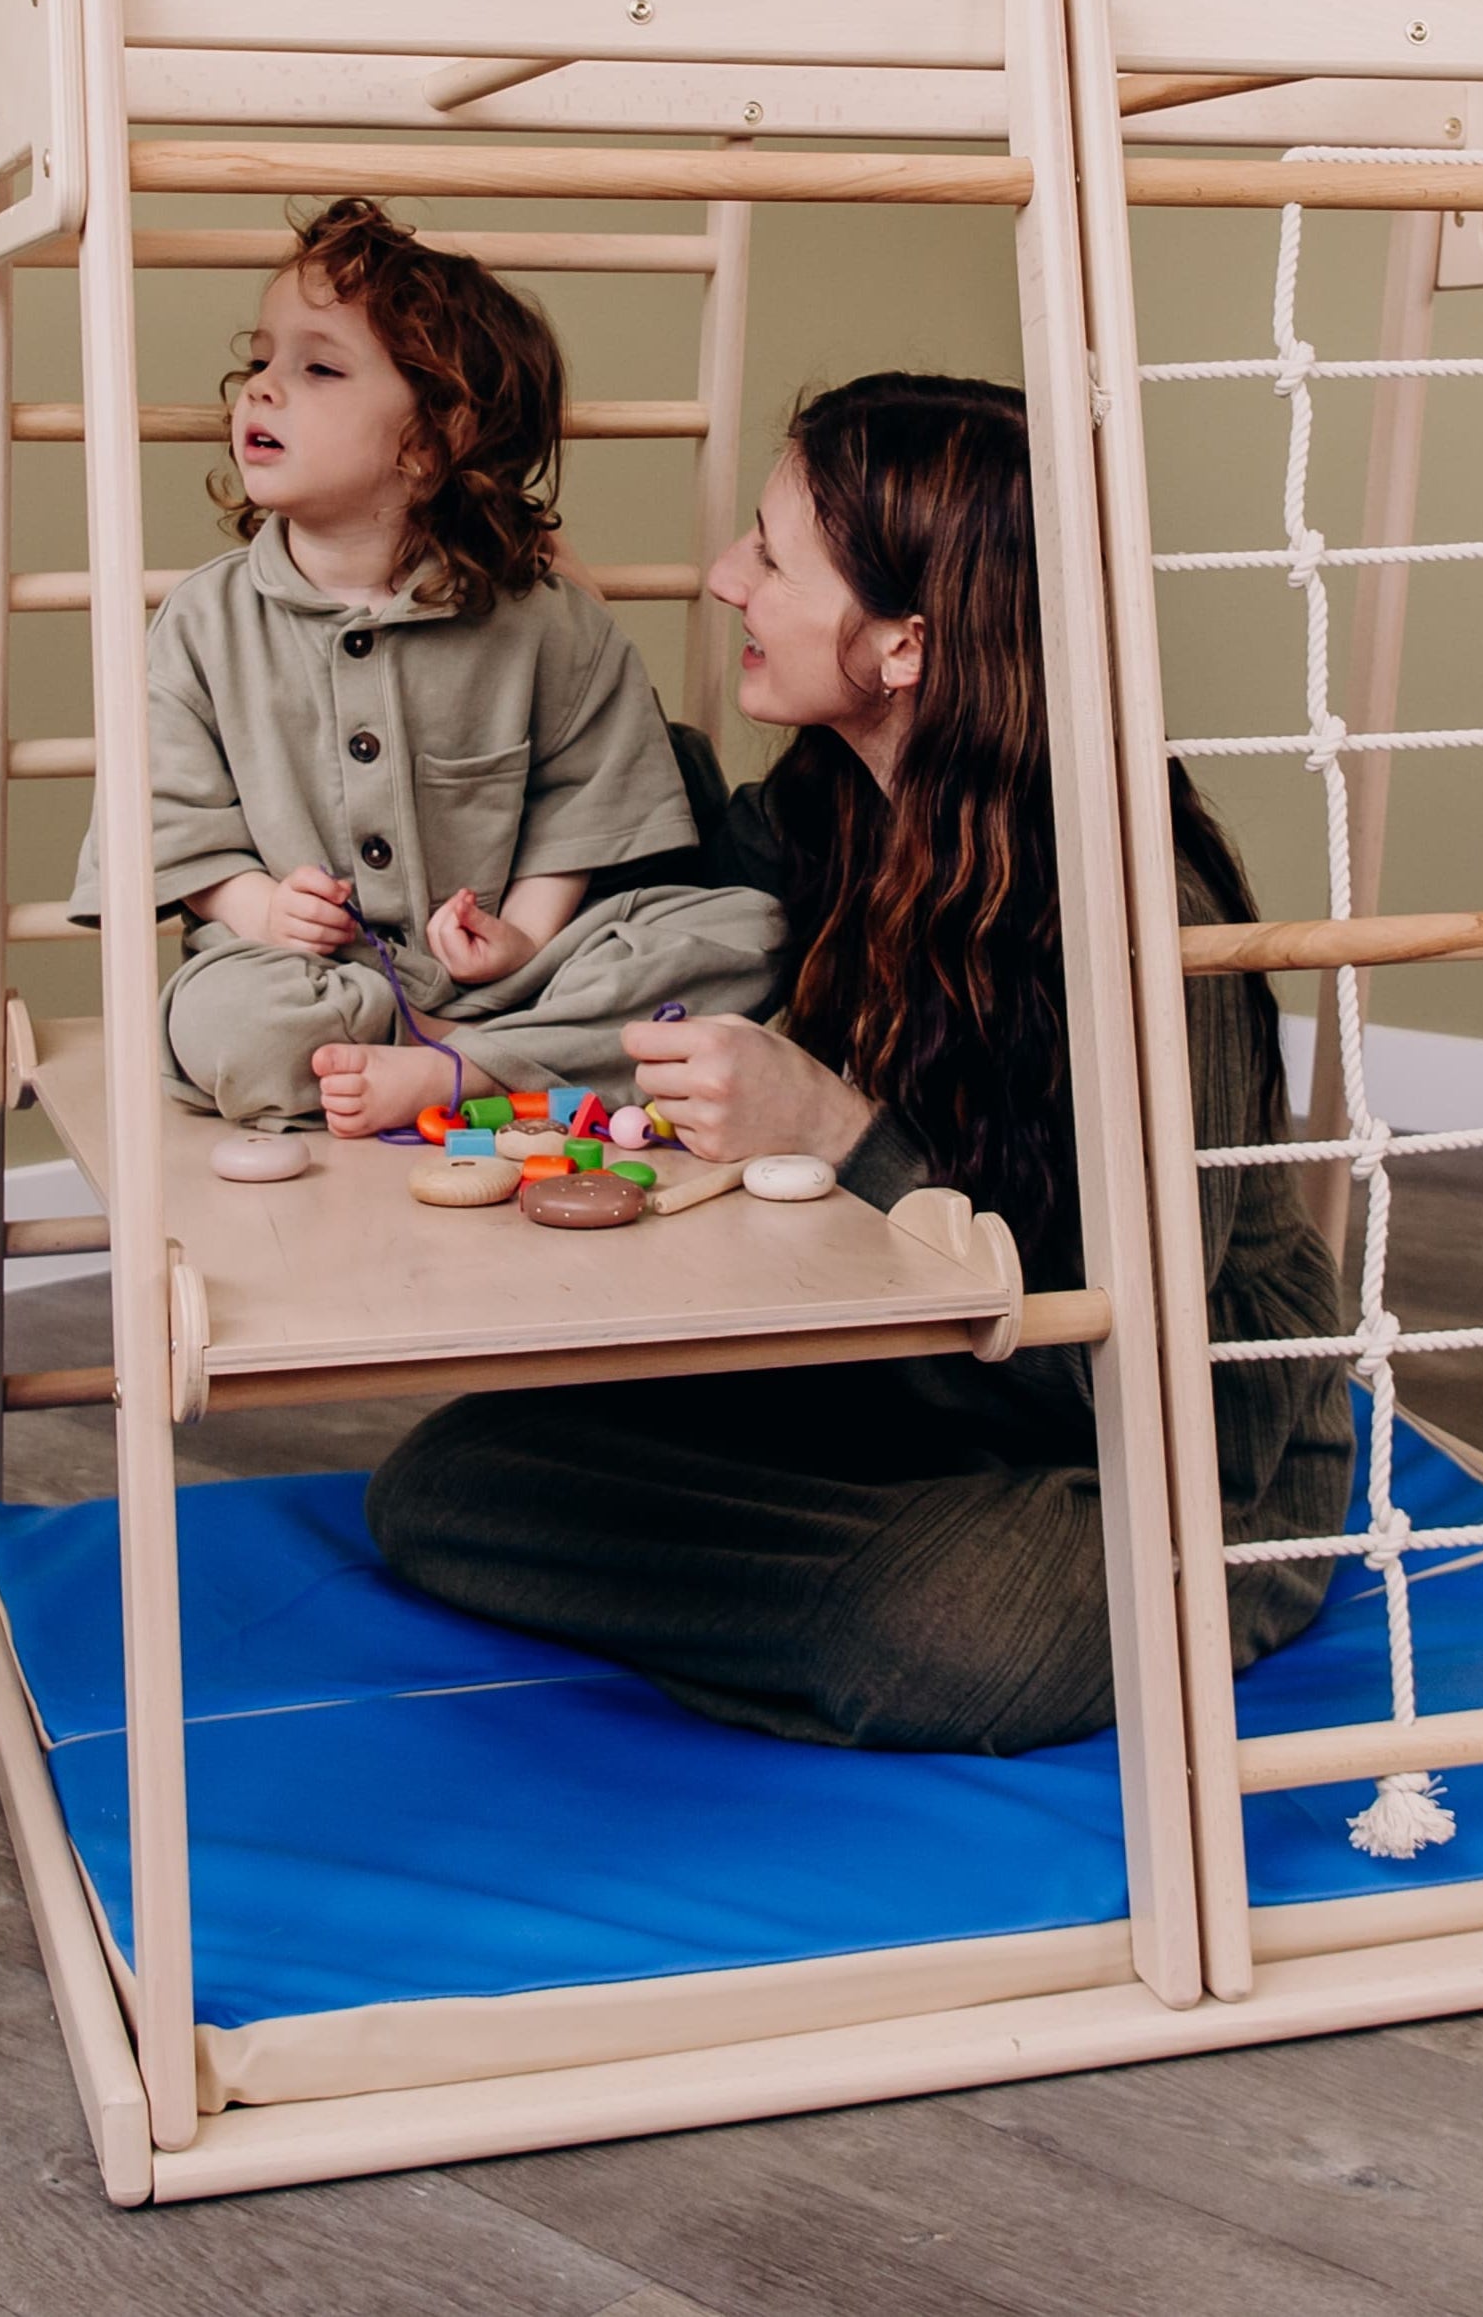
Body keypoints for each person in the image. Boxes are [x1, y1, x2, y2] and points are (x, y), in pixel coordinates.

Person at [367, 373, 1353, 1755]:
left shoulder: (1139, 921)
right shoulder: (837, 800)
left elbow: (1124, 1372)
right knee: (444, 1484)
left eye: (770, 556)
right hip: (901, 1397)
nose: (724, 578)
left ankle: (889, 1612)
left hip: (1162, 1456)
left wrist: (843, 1134)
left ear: (903, 644)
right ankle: (849, 1606)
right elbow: (675, 882)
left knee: (947, 1635)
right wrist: (547, 649)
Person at [72, 200, 780, 1157]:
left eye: (316, 367)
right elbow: (169, 823)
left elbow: (588, 796)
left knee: (751, 933)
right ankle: (485, 1061)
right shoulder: (201, 623)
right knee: (229, 1023)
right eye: (261, 359)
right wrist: (257, 908)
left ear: (427, 443)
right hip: (304, 976)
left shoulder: (545, 621)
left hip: (511, 979)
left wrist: (523, 938)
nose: (260, 391)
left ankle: (459, 1064)